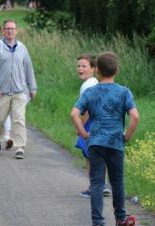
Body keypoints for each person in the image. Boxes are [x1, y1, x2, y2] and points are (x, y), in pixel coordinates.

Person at [70, 51, 139, 226]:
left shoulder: (91, 92)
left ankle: (98, 222)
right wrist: (127, 136)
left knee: (97, 183)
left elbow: (74, 113)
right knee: (117, 182)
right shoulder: (124, 92)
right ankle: (121, 218)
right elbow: (135, 117)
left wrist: (84, 134)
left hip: (95, 143)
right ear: (117, 70)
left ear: (97, 70)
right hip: (115, 143)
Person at [0, 20, 37, 159]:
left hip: (19, 92)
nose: (10, 31)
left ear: (16, 31)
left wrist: (32, 87)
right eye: (7, 29)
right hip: (1, 92)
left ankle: (20, 147)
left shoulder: (22, 48)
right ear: (3, 30)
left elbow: (28, 68)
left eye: (12, 29)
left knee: (19, 119)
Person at [74, 54, 112, 198]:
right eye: (78, 66)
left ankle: (94, 187)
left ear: (94, 69)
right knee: (99, 155)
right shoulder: (95, 82)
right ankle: (104, 185)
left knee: (89, 156)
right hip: (103, 122)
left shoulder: (87, 86)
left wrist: (80, 127)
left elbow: (87, 110)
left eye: (84, 66)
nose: (80, 69)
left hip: (92, 123)